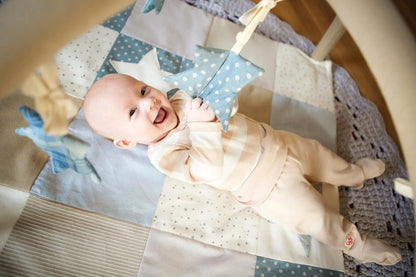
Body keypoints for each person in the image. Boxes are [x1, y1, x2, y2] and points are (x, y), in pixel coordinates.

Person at [83, 73, 401, 265]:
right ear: (125, 142)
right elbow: (206, 168)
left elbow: (229, 108)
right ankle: (357, 246)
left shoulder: (180, 99)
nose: (150, 103)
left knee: (323, 158)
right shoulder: (164, 153)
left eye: (142, 90)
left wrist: (217, 98)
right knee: (317, 217)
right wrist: (204, 125)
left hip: (278, 142)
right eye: (133, 111)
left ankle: (353, 175)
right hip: (268, 187)